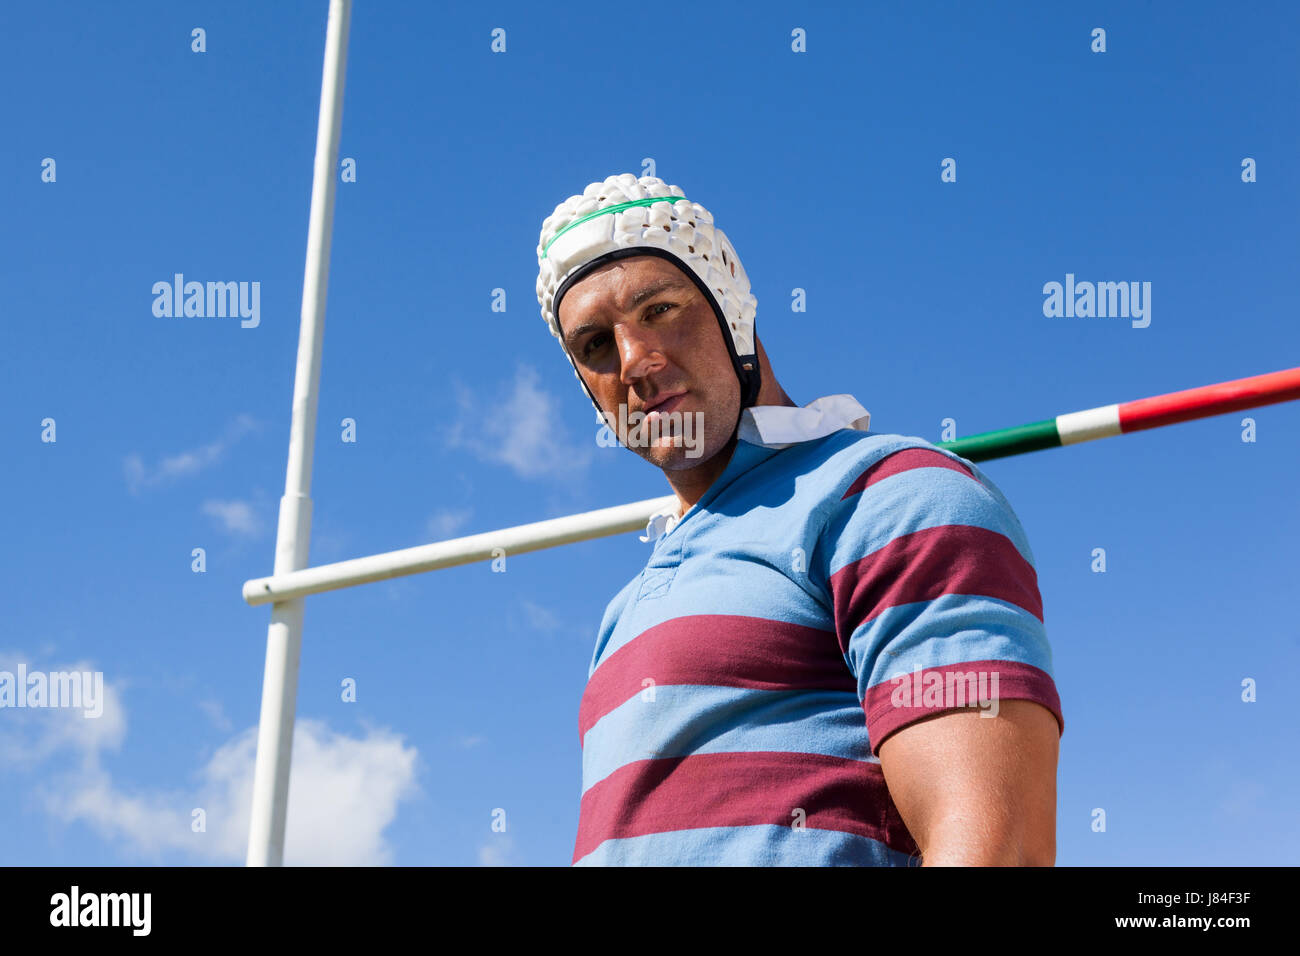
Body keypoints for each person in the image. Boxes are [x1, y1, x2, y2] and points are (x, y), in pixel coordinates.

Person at [535, 173, 1064, 866]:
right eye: (596, 346)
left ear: (732, 307)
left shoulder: (892, 495)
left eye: (660, 309)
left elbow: (998, 850)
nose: (635, 359)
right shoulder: (623, 609)